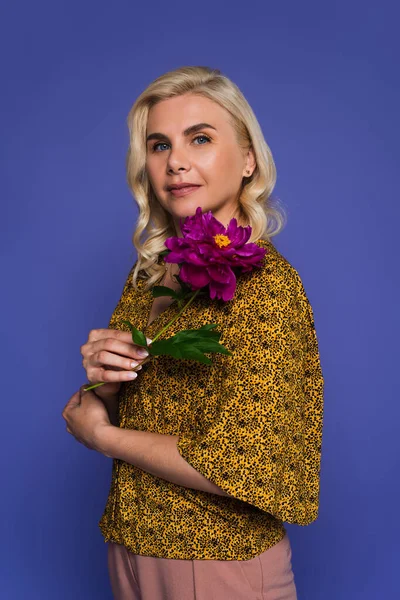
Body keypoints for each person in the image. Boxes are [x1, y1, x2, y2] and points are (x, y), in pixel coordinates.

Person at [62, 65, 325, 600]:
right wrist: (104, 388)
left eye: (199, 138)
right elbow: (142, 405)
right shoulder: (149, 275)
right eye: (158, 145)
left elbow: (244, 461)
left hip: (215, 560)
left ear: (249, 159)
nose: (175, 161)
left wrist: (102, 436)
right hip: (132, 545)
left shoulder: (268, 288)